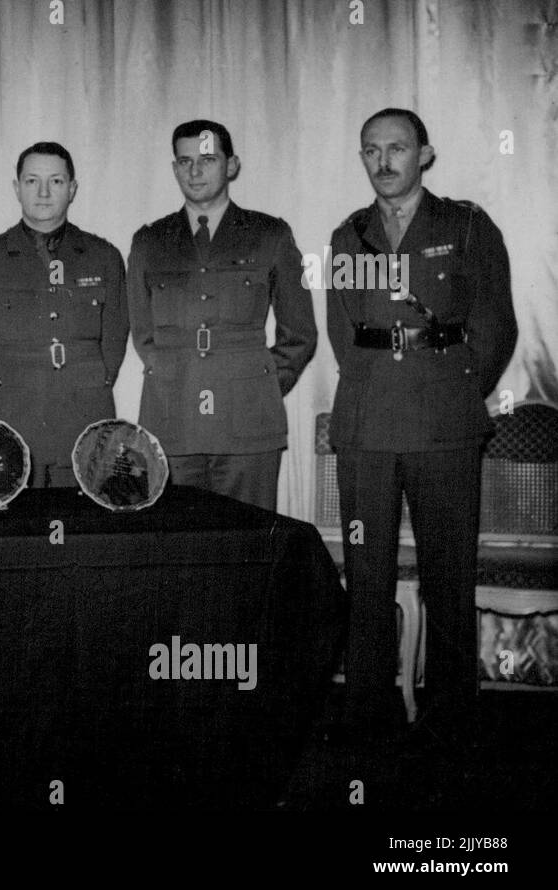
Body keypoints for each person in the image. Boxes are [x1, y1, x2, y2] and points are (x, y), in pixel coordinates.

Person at [327, 108, 517, 743]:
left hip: (444, 426)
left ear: (425, 155)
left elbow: (495, 326)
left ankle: (452, 718)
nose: (384, 162)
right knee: (366, 575)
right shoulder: (349, 235)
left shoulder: (466, 226)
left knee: (449, 575)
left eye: (398, 148)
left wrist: (455, 392)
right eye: (371, 150)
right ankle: (368, 713)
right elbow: (342, 330)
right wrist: (371, 389)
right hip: (367, 428)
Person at [126, 120, 316, 510]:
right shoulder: (150, 241)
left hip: (248, 424)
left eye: (208, 159)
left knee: (249, 537)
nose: (195, 171)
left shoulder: (270, 235)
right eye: (185, 161)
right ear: (175, 168)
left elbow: (300, 333)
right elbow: (144, 335)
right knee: (179, 538)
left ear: (232, 165)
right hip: (173, 421)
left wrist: (258, 386)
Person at [0, 142, 127, 488]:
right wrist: (1, 395)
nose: (44, 193)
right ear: (17, 188)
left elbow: (116, 336)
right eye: (32, 181)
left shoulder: (104, 256)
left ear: (72, 189)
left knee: (79, 516)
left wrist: (89, 384)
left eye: (56, 181)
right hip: (12, 418)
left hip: (84, 416)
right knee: (15, 517)